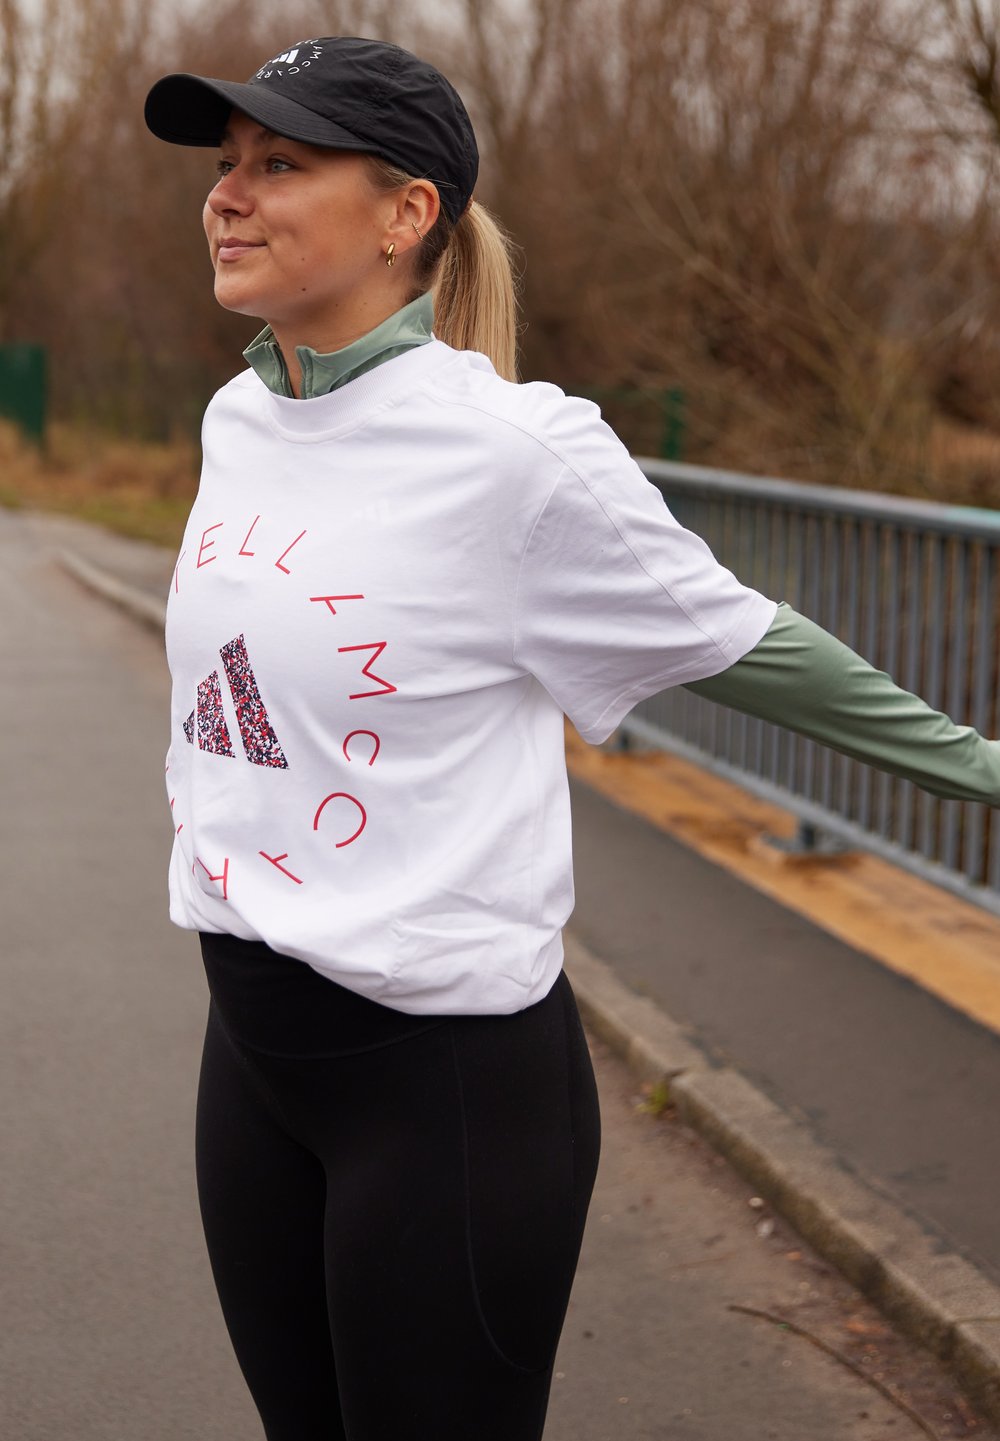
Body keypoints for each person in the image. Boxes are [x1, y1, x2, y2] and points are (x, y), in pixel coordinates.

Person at [143, 35, 1000, 1441]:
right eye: (226, 167)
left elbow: (753, 645)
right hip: (250, 1053)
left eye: (280, 164)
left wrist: (981, 772)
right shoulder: (242, 414)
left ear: (406, 214)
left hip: (441, 1097)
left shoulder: (516, 455)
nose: (228, 196)